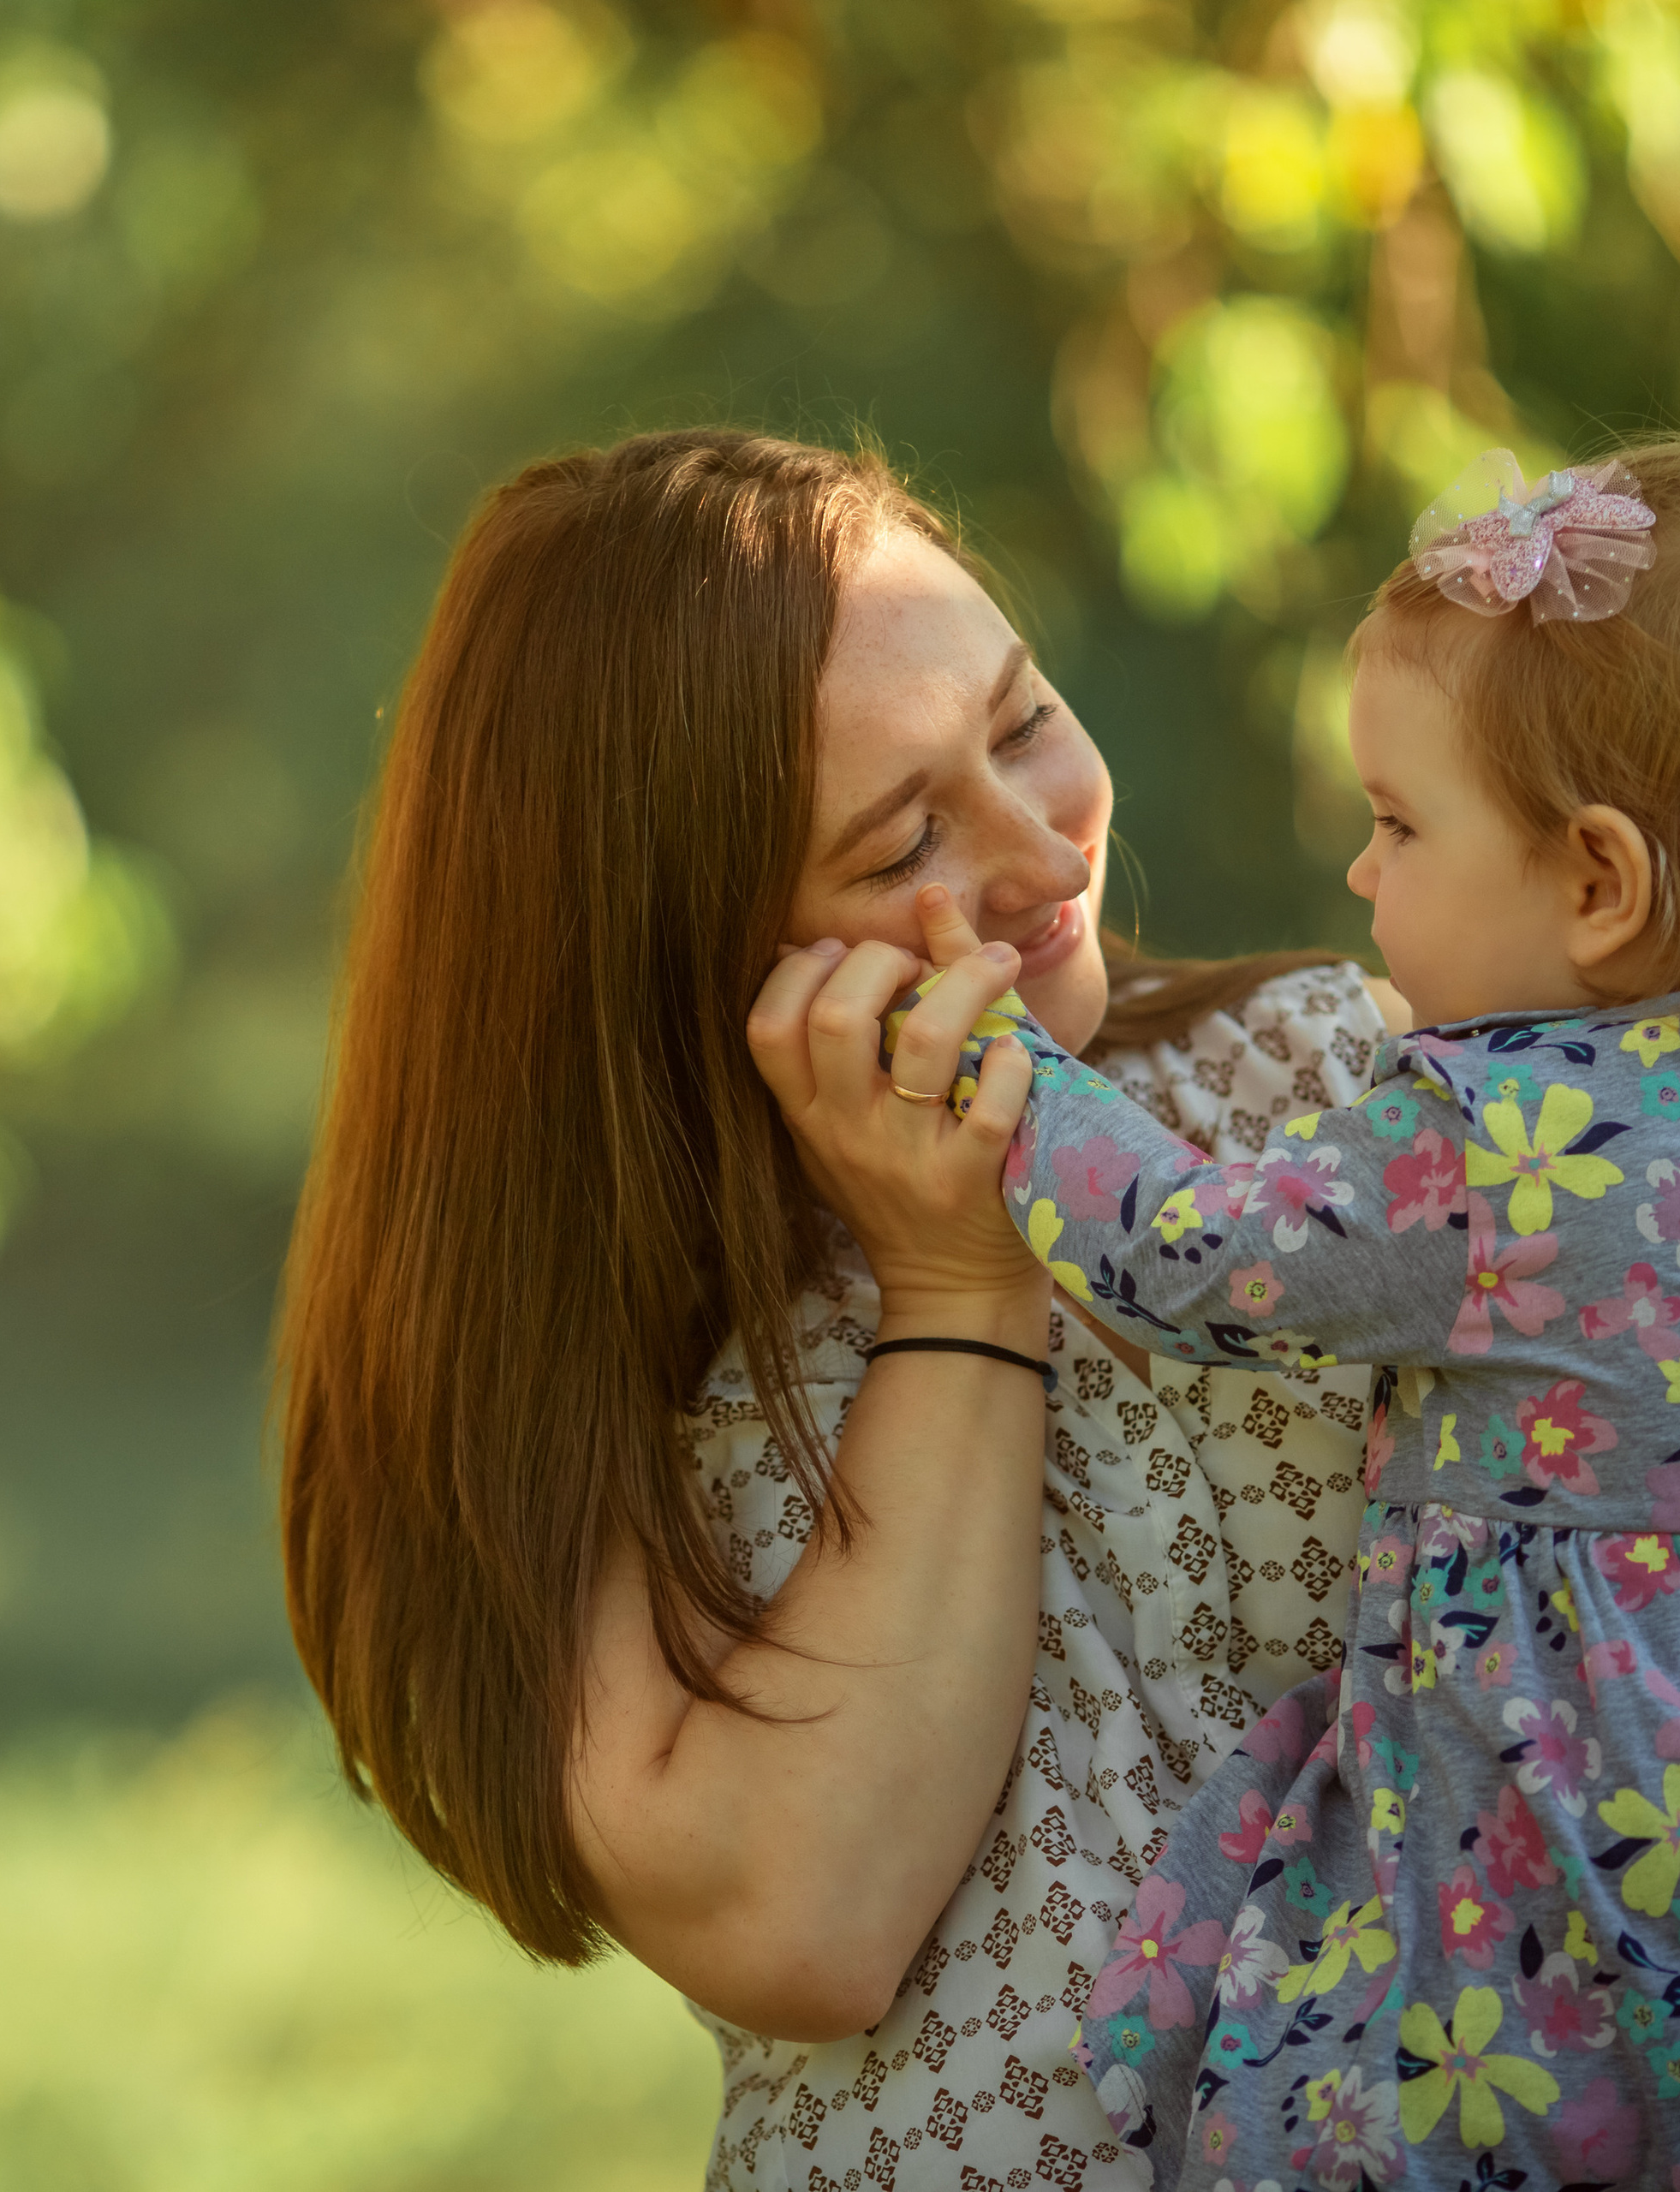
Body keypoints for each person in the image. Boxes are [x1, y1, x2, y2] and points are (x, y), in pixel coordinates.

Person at [277, 429, 1403, 2186]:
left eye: (1022, 721)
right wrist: (960, 1279)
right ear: (689, 951)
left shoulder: (1328, 1093)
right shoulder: (589, 1385)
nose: (1042, 850)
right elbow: (805, 1920)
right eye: (903, 842)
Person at [895, 447, 1680, 2185]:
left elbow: (1186, 1252)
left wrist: (1001, 1068)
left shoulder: (1486, 1143)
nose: (1352, 872)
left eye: (1396, 824)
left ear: (1595, 883)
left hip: (1532, 1857)